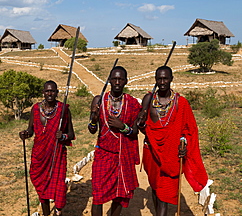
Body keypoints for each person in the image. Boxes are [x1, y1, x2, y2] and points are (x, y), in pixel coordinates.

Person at [137, 65, 208, 216]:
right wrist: (141, 121)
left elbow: (190, 131)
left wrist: (185, 145)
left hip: (171, 155)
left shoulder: (181, 103)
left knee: (164, 192)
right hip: (151, 153)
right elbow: (142, 127)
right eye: (159, 79)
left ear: (171, 79)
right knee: (155, 189)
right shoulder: (148, 100)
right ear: (155, 80)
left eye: (165, 78)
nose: (162, 82)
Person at [88, 66, 141, 216]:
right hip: (103, 155)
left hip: (123, 157)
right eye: (114, 79)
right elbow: (92, 129)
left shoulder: (132, 103)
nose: (117, 82)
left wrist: (122, 127)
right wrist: (93, 119)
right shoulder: (99, 100)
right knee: (97, 196)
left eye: (121, 79)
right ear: (109, 80)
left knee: (120, 195)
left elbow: (135, 132)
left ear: (126, 81)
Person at [19, 80, 75, 216]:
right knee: (41, 187)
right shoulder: (36, 109)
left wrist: (63, 136)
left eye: (52, 91)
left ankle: (58, 210)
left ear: (57, 93)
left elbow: (71, 134)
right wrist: (25, 134)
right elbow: (31, 130)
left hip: (57, 155)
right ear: (43, 92)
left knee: (60, 188)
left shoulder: (63, 110)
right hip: (40, 155)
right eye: (47, 91)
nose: (50, 93)